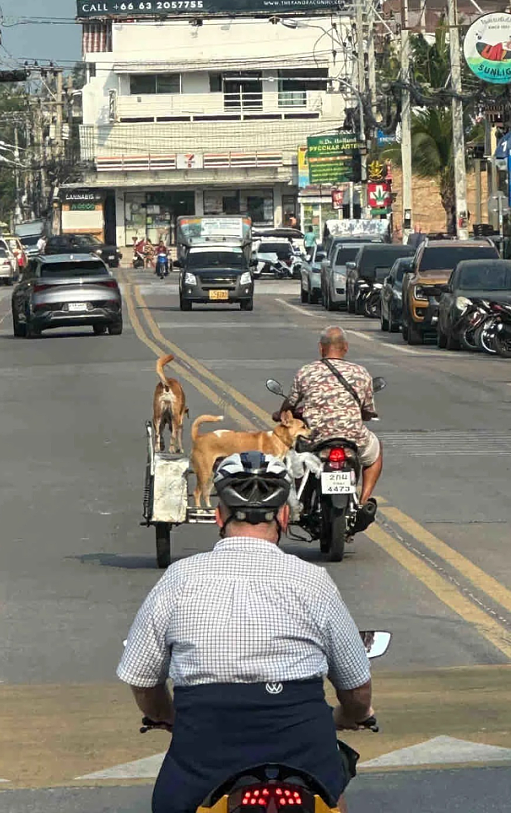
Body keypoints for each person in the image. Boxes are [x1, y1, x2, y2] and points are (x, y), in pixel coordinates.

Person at [118, 451, 373, 813]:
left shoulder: (180, 579)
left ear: (218, 516)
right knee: (331, 797)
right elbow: (357, 688)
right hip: (302, 746)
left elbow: (143, 679)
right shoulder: (313, 581)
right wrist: (353, 714)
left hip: (205, 747)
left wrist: (166, 716)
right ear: (284, 516)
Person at [280, 326, 381, 520]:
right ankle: (363, 501)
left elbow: (290, 404)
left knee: (296, 455)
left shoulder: (306, 372)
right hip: (352, 438)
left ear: (321, 348)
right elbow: (368, 411)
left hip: (315, 437)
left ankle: (301, 500)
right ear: (346, 347)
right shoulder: (361, 373)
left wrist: (281, 413)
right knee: (375, 453)